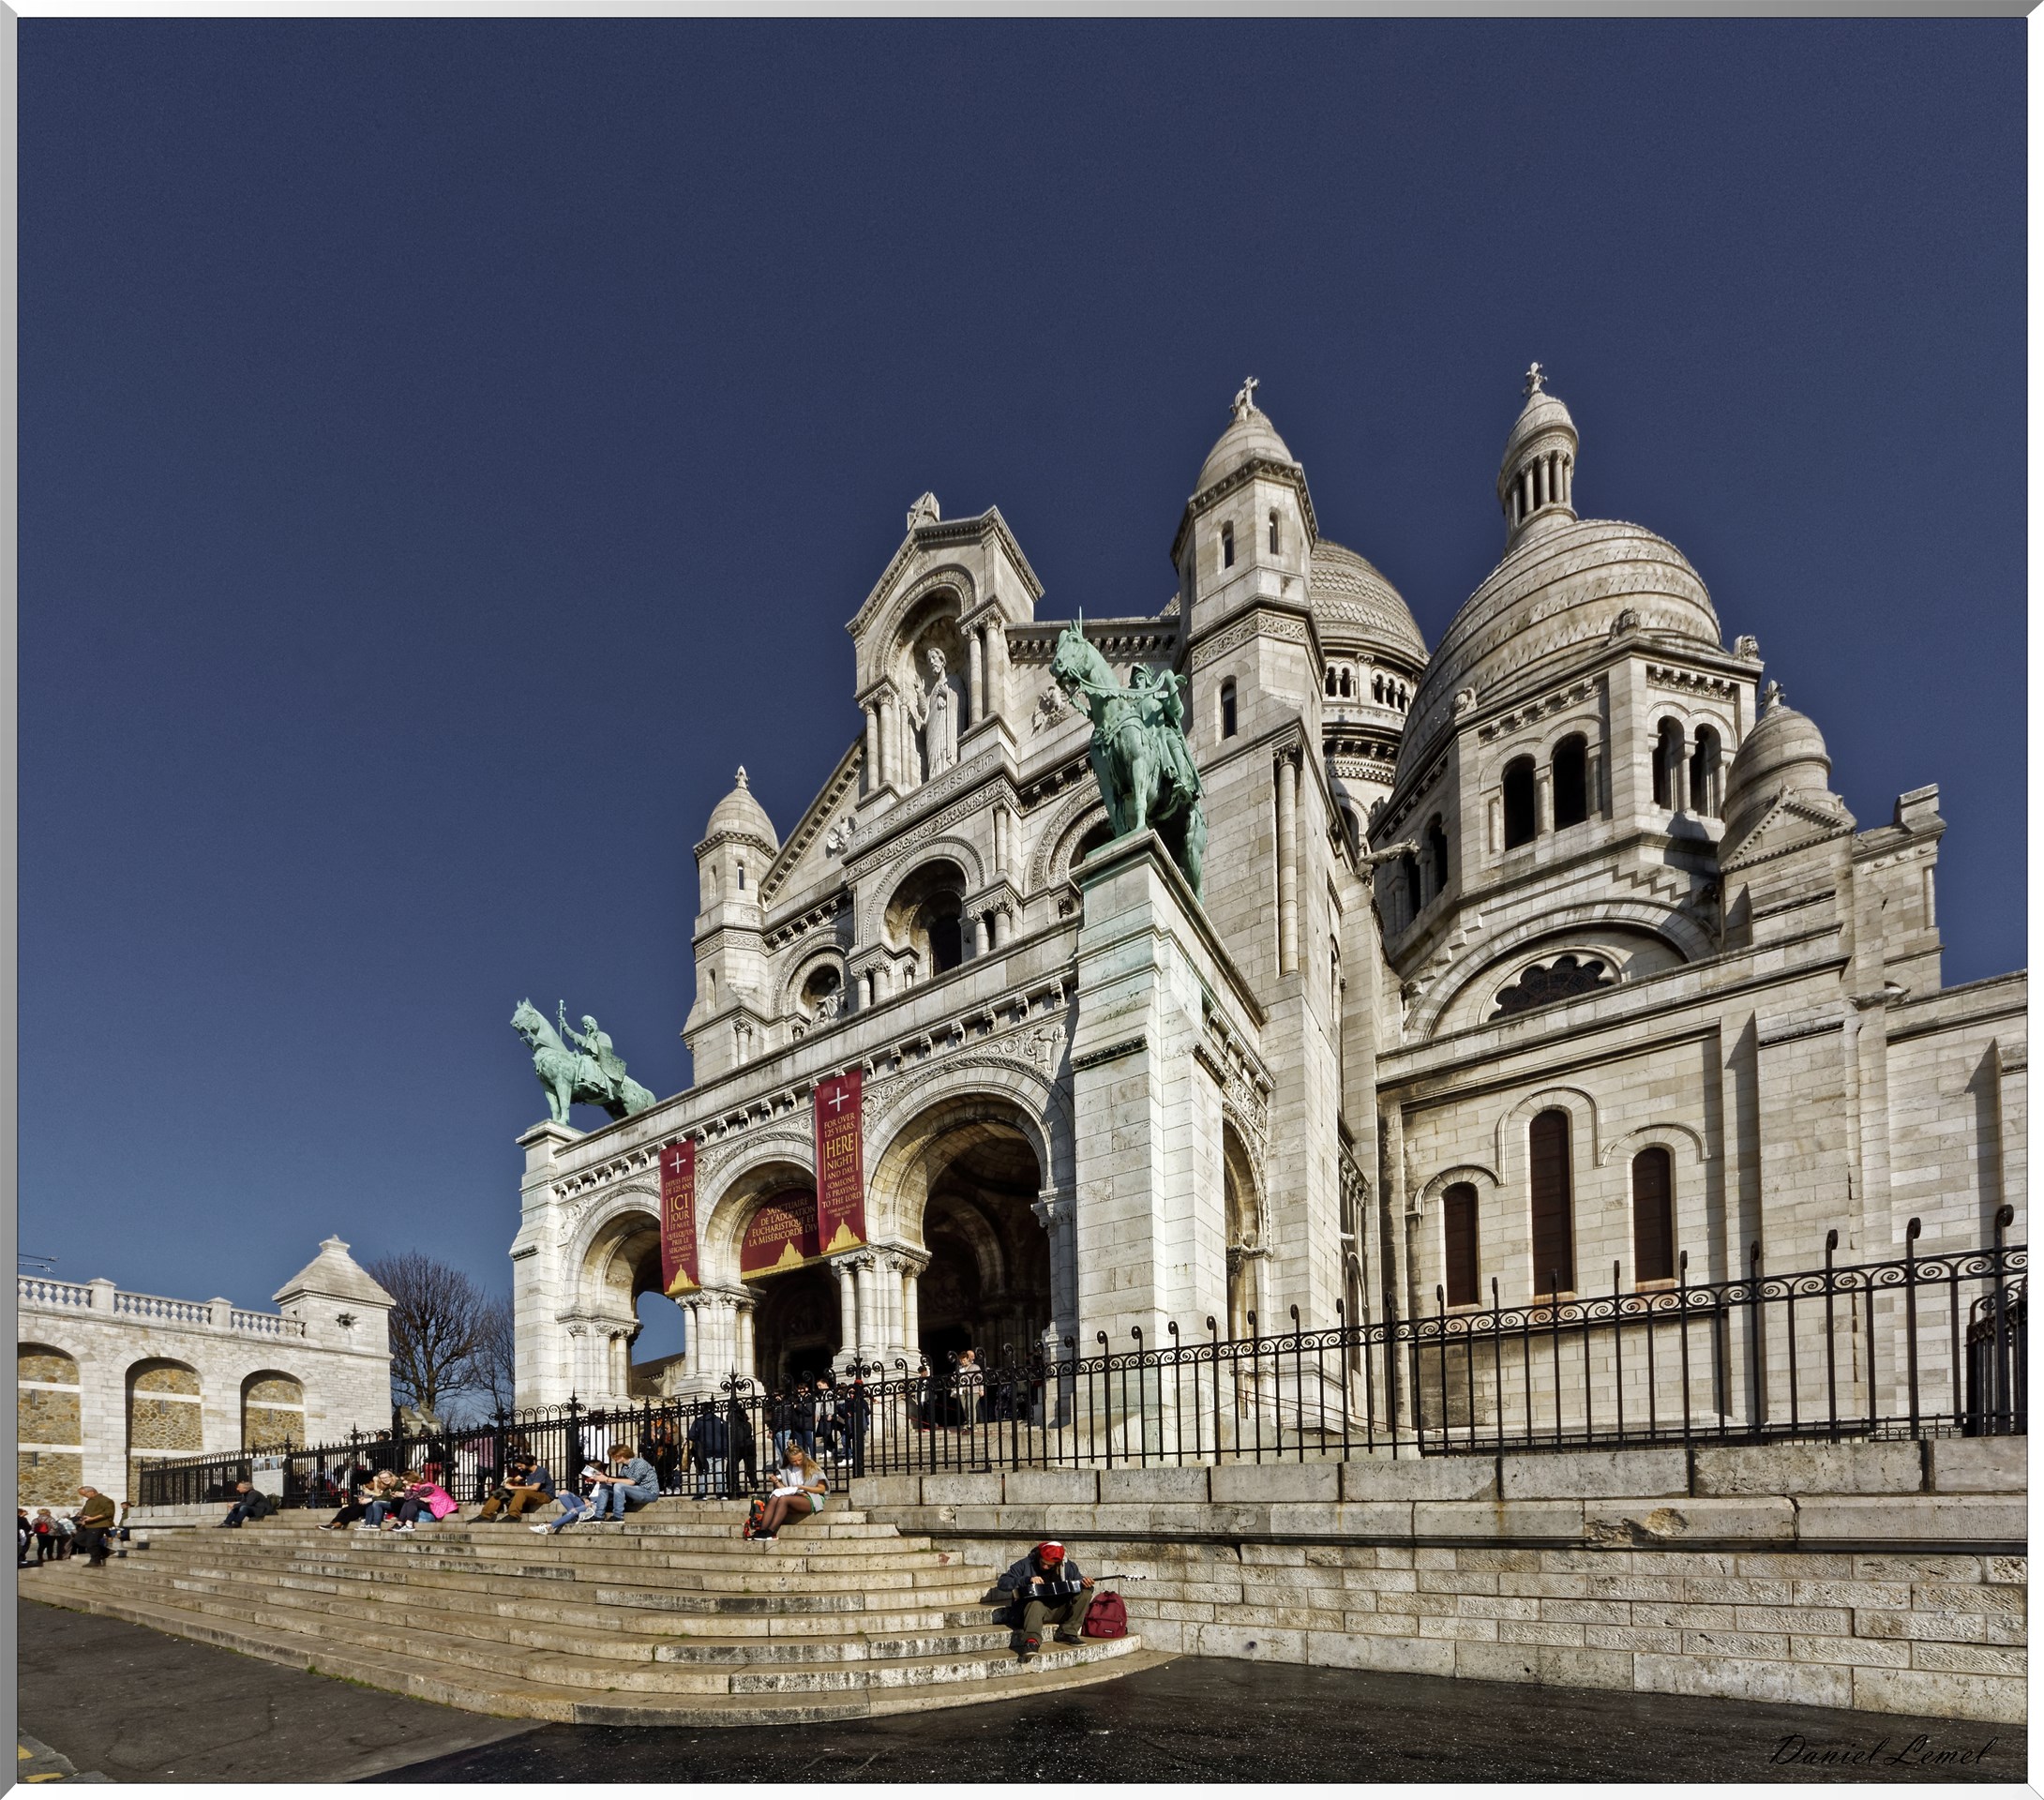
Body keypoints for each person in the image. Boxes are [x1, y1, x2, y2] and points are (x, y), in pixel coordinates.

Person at [996, 1540, 1096, 1663]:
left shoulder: (1068, 1567)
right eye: (1043, 1563)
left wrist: (1086, 1585)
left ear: (1058, 1563)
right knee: (1035, 1602)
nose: (1045, 1567)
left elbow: (1078, 1584)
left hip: (1057, 1609)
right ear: (1039, 1556)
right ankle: (1031, 1642)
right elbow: (1002, 1582)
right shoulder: (1025, 1564)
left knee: (1085, 1594)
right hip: (1030, 1612)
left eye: (1050, 1565)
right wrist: (1027, 1580)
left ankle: (1067, 1632)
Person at [746, 1445, 827, 1545]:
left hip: (811, 1498)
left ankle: (771, 1531)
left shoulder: (812, 1467)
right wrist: (777, 1482)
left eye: (800, 1459)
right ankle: (762, 1530)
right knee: (776, 1496)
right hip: (794, 1497)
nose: (797, 1463)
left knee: (783, 1499)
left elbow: (821, 1489)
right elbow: (787, 1490)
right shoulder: (787, 1470)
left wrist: (802, 1488)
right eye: (794, 1461)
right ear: (789, 1460)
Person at [584, 1442, 660, 1521]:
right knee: (604, 1487)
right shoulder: (625, 1467)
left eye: (614, 1455)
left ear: (622, 1454)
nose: (612, 1458)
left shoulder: (640, 1463)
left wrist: (607, 1479)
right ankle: (599, 1515)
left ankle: (618, 1516)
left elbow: (631, 1482)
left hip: (649, 1493)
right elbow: (621, 1480)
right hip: (634, 1491)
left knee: (619, 1486)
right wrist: (603, 1478)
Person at [474, 1457, 554, 1522]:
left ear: (527, 1464)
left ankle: (513, 1515)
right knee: (501, 1491)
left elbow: (534, 1487)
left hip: (545, 1495)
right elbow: (516, 1479)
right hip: (532, 1494)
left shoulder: (541, 1471)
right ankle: (485, 1515)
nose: (519, 1468)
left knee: (521, 1492)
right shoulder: (526, 1471)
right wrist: (510, 1480)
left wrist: (512, 1487)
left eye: (520, 1466)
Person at [325, 1469, 399, 1531]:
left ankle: (339, 1523)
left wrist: (373, 1486)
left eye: (367, 1484)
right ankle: (332, 1523)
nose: (366, 1486)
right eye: (382, 1478)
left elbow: (382, 1496)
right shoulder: (385, 1485)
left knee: (357, 1509)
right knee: (345, 1509)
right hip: (374, 1503)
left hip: (381, 1505)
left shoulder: (383, 1484)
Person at [390, 1471, 458, 1534]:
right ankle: (399, 1523)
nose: (403, 1482)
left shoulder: (427, 1487)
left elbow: (409, 1497)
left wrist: (406, 1490)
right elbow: (412, 1496)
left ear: (410, 1479)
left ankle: (409, 1524)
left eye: (404, 1480)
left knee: (412, 1502)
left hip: (440, 1506)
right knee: (409, 1501)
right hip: (431, 1504)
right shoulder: (416, 1487)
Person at [686, 1405, 729, 1500]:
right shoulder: (720, 1421)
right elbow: (726, 1435)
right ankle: (721, 1493)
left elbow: (691, 1436)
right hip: (720, 1450)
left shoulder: (699, 1421)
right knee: (720, 1472)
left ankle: (702, 1493)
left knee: (704, 1471)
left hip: (705, 1451)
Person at [73, 1487, 117, 1568]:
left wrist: (93, 1518)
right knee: (79, 1539)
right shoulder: (89, 1501)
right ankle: (105, 1551)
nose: (85, 1496)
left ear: (92, 1492)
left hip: (99, 1524)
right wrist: (82, 1519)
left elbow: (109, 1513)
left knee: (92, 1543)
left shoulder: (105, 1500)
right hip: (87, 1524)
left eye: (85, 1494)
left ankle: (95, 1561)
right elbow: (86, 1512)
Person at [726, 1392, 758, 1499]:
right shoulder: (747, 1424)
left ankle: (734, 1487)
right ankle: (754, 1487)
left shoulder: (732, 1422)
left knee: (732, 1468)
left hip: (738, 1447)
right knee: (750, 1468)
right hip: (748, 1447)